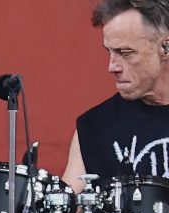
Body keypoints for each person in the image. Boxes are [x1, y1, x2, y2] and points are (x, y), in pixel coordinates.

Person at [64, 0, 169, 189]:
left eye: (125, 52)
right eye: (110, 52)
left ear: (165, 47)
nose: (112, 66)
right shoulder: (94, 127)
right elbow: (65, 205)